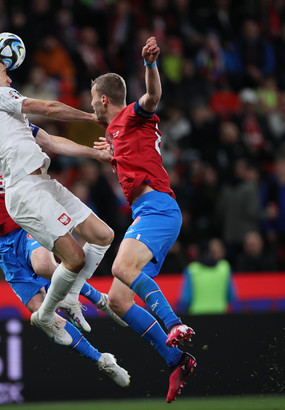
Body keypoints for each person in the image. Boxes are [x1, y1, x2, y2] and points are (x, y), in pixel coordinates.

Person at [0, 129, 129, 387]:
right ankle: (101, 360)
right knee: (43, 316)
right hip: (0, 244)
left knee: (44, 264)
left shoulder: (16, 140)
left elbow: (48, 148)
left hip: (25, 225)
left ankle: (99, 299)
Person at [0, 54, 115, 346]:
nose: (10, 79)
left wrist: (96, 153)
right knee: (74, 258)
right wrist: (91, 117)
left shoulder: (7, 115)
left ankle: (71, 296)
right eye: (3, 72)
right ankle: (47, 313)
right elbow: (48, 107)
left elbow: (50, 141)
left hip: (43, 182)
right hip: (26, 189)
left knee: (103, 234)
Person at [90, 37, 196, 403]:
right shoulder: (115, 133)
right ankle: (175, 359)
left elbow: (152, 99)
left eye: (92, 100)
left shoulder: (131, 115)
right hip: (150, 212)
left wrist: (150, 66)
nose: (91, 107)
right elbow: (133, 157)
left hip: (157, 209)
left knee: (120, 266)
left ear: (104, 98)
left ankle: (174, 325)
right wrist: (112, 156)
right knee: (118, 301)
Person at [180, 238, 237, 314]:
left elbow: (186, 299)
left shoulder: (192, 269)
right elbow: (231, 297)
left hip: (196, 316)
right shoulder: (225, 267)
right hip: (221, 314)